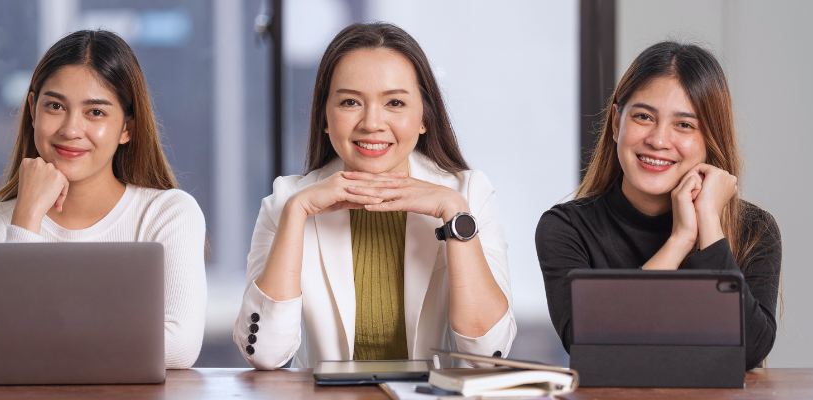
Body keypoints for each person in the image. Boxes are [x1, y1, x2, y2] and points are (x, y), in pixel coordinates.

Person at [234, 22, 515, 370]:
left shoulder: (467, 195)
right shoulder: (287, 200)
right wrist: (297, 212)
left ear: (424, 117)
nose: (371, 123)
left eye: (394, 102)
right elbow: (263, 354)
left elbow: (488, 357)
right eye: (350, 102)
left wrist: (453, 212)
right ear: (325, 117)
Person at [0, 30, 206, 369]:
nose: (71, 129)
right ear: (32, 110)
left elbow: (178, 347)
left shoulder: (168, 214)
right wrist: (27, 217)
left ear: (127, 129)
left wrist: (39, 339)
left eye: (96, 112)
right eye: (55, 106)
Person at [536, 41, 781, 371]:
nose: (658, 139)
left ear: (711, 139)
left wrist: (708, 222)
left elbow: (750, 351)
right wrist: (679, 239)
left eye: (684, 124)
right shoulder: (566, 229)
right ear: (615, 123)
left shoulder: (755, 228)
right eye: (643, 116)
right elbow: (591, 345)